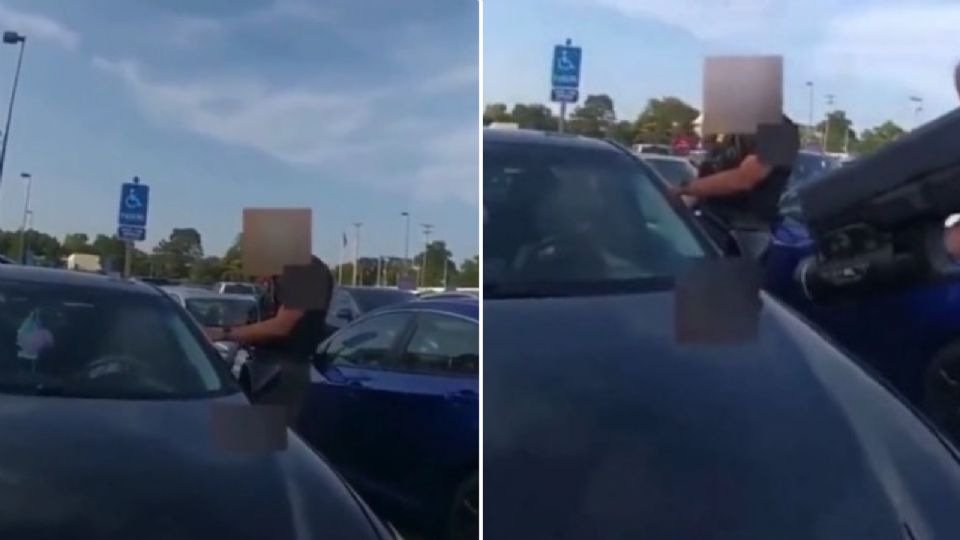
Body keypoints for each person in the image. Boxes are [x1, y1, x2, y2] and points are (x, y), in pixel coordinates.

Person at [205, 255, 334, 425]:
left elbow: (282, 327)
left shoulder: (307, 270)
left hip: (284, 372)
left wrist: (223, 333)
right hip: (261, 368)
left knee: (266, 442)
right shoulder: (281, 272)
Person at [671, 118, 796, 231]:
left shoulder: (780, 129)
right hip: (709, 218)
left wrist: (685, 189)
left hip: (744, 229)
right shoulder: (732, 129)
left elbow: (744, 178)